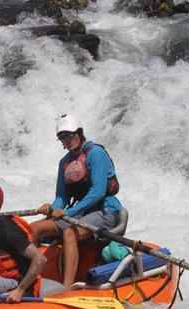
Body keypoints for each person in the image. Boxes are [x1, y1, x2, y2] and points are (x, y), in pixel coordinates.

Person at [30, 114, 122, 289]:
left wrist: (66, 213)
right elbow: (61, 198)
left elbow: (98, 192)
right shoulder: (64, 163)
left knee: (69, 233)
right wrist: (51, 209)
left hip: (105, 212)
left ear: (79, 133)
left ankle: (66, 288)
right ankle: (31, 281)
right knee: (33, 228)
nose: (67, 139)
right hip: (79, 214)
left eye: (70, 134)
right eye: (62, 137)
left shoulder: (96, 153)